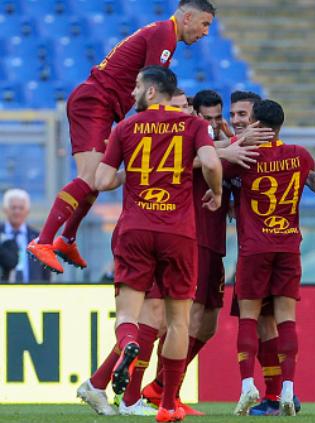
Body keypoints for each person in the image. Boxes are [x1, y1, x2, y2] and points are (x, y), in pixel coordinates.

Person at [27, 0, 216, 274]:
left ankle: (66, 238)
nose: (206, 32)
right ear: (187, 17)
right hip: (94, 102)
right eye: (205, 24)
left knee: (100, 179)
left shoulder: (164, 33)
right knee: (92, 177)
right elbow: (154, 89)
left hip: (102, 105)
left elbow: (153, 89)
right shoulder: (165, 33)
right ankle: (43, 241)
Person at [82, 66, 223, 423]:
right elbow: (209, 161)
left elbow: (100, 179)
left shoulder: (126, 127)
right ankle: (168, 405)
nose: (131, 94)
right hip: (178, 231)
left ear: (150, 92)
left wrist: (139, 173)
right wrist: (217, 192)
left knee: (129, 315)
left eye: (135, 88)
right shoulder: (193, 126)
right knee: (178, 321)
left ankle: (127, 343)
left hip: (135, 228)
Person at [138, 89, 272, 416]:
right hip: (190, 239)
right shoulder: (191, 143)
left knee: (207, 325)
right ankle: (142, 391)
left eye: (219, 118)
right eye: (206, 118)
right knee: (174, 321)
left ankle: (160, 388)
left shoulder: (225, 148)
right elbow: (196, 159)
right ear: (193, 115)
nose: (212, 124)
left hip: (216, 246)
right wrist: (229, 147)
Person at [226, 99, 315, 416]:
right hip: (288, 246)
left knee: (249, 318)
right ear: (280, 126)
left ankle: (246, 386)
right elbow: (314, 179)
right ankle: (288, 390)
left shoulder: (243, 157)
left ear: (256, 124)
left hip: (254, 247)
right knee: (286, 320)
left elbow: (210, 164)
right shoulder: (298, 155)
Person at [1, 189, 51, 282]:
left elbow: (46, 272)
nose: (17, 212)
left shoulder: (39, 238)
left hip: (32, 292)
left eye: (21, 208)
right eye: (13, 207)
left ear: (27, 211)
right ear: (5, 209)